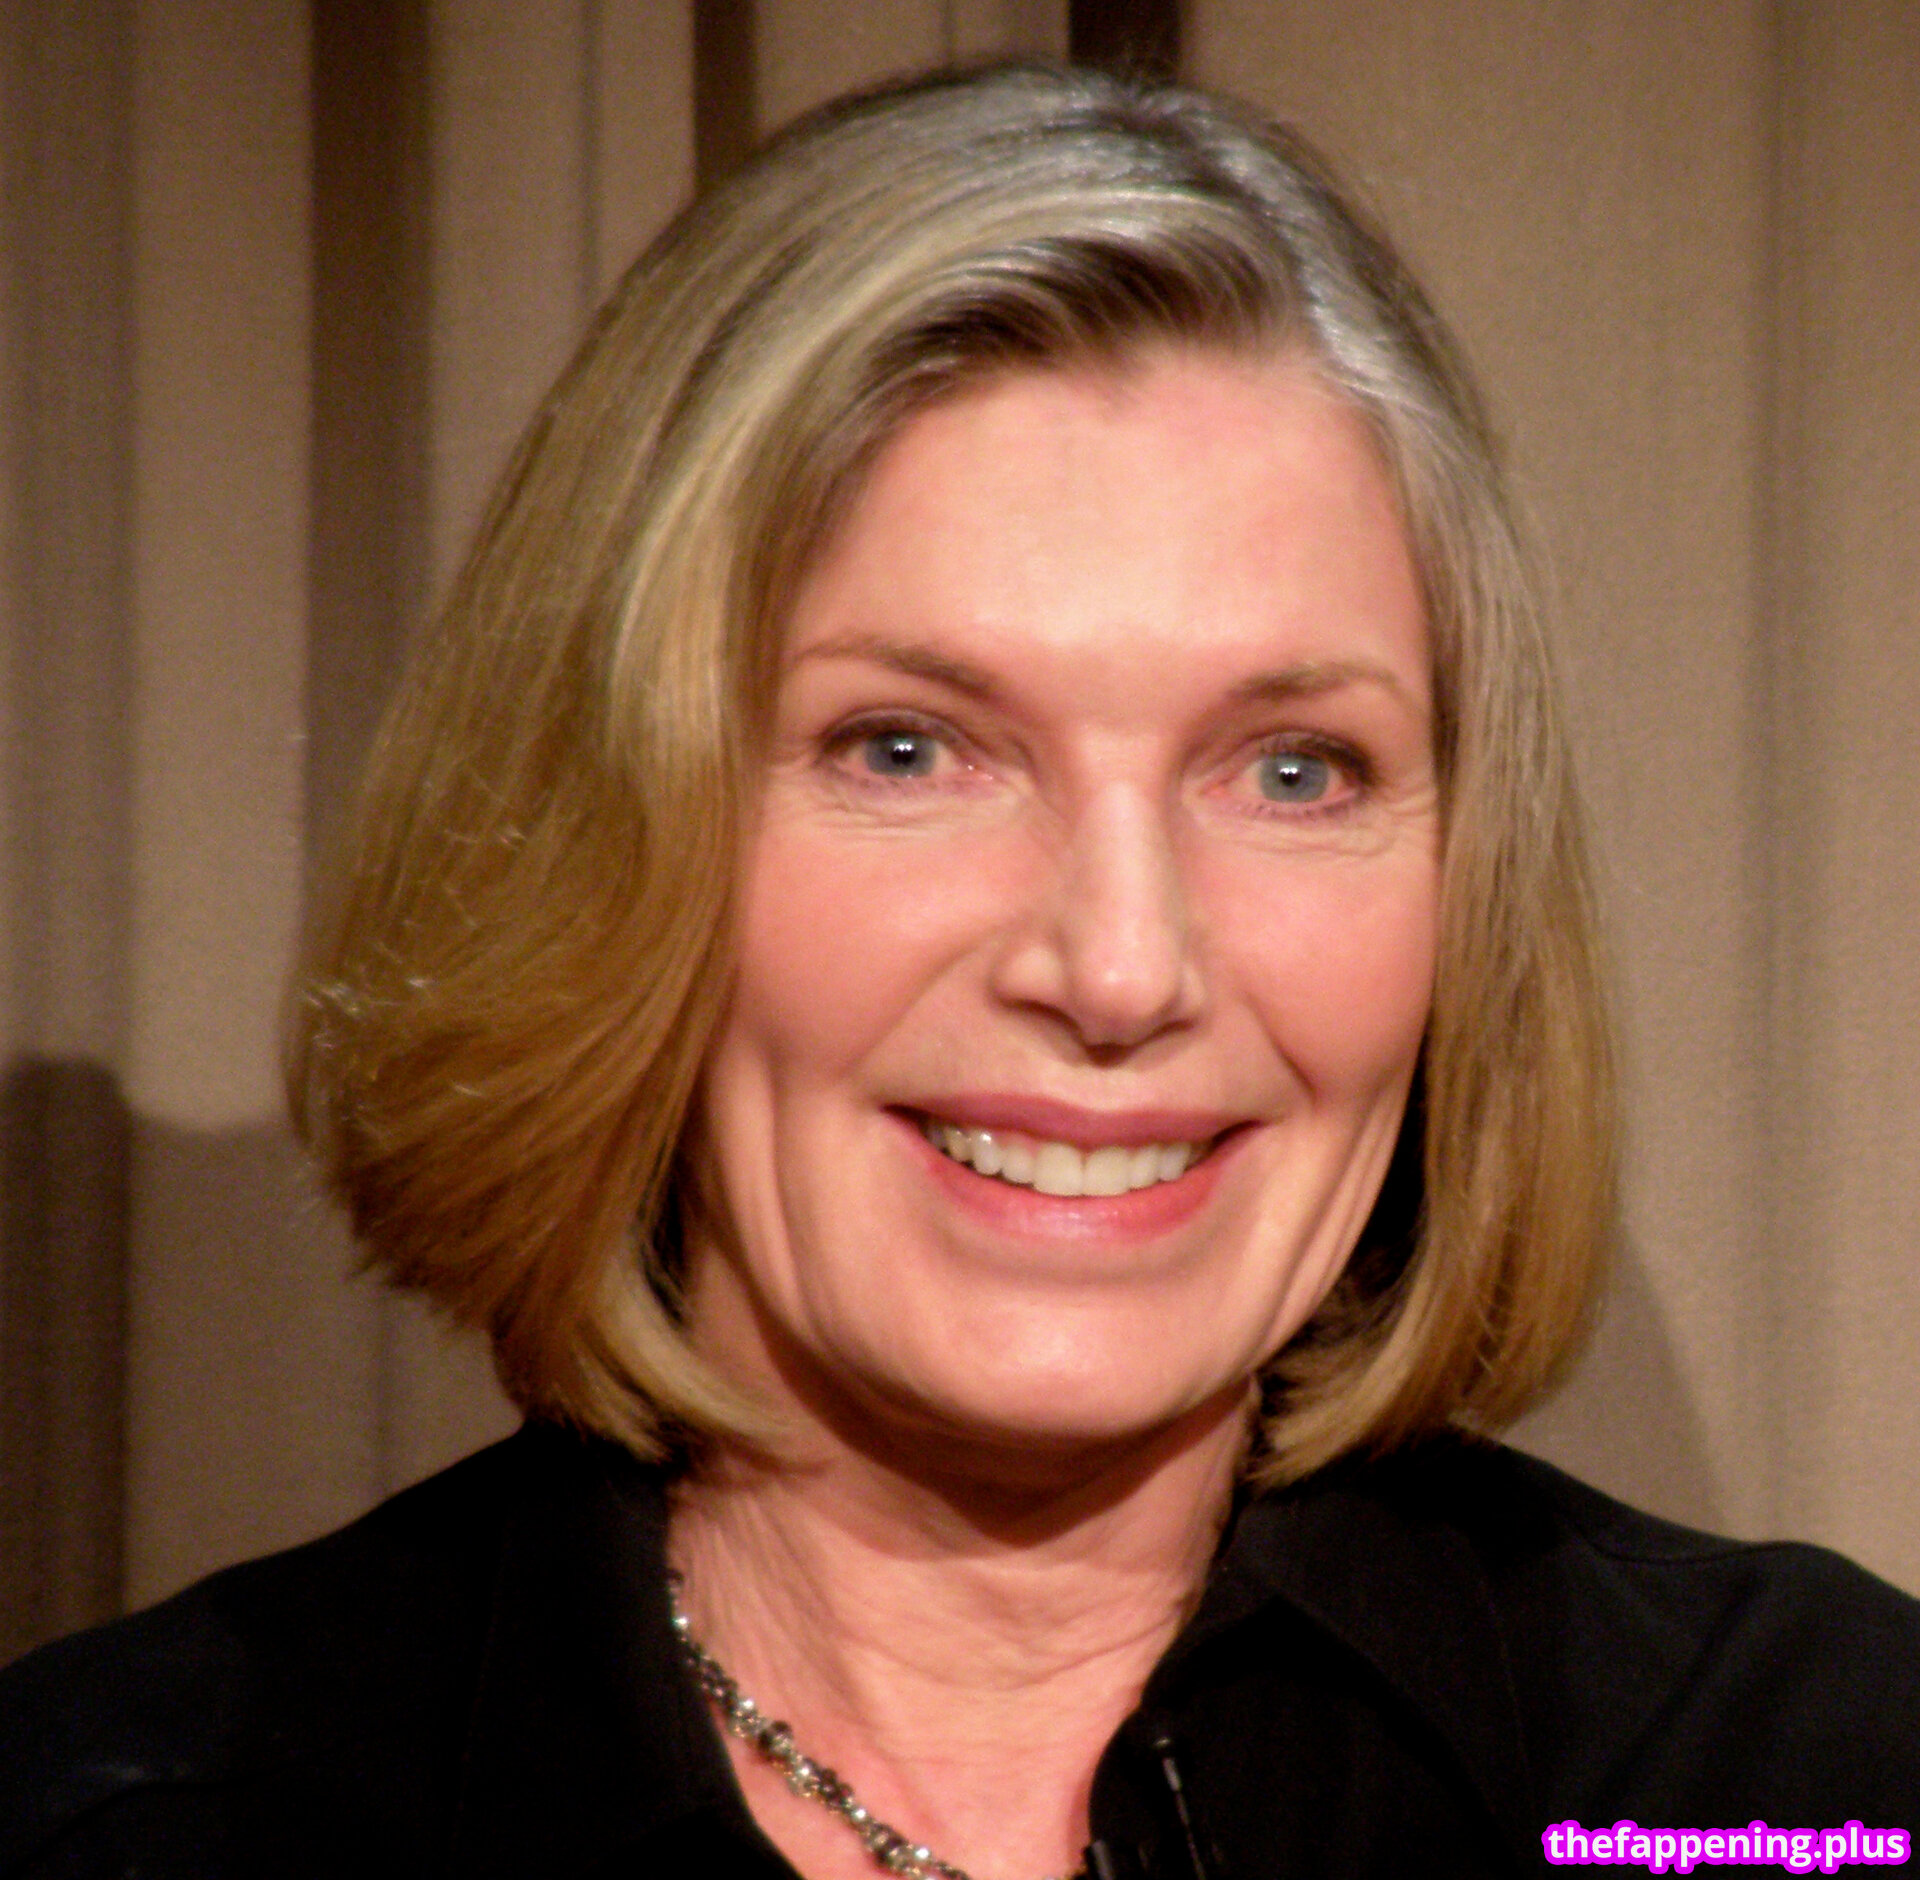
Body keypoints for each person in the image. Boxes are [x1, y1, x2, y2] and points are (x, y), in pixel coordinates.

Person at [3, 61, 1917, 1880]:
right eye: (907, 750)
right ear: (606, 842)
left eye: (1292, 770)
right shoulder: (144, 1819)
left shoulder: (1803, 1783)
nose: (1122, 966)